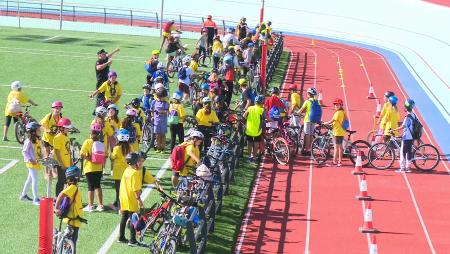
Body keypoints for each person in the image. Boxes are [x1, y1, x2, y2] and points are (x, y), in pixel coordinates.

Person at [54, 165, 85, 254]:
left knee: (70, 241)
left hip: (73, 219)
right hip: (73, 220)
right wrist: (56, 208)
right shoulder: (73, 187)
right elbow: (61, 195)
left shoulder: (70, 187)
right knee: (72, 242)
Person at [81, 123, 105, 212]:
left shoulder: (87, 142)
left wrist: (89, 159)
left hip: (89, 168)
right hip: (99, 167)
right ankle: (100, 205)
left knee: (90, 187)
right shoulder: (101, 142)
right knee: (98, 186)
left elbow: (82, 153)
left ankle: (90, 206)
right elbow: (105, 155)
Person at [20, 122, 43, 205]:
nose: (39, 130)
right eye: (38, 129)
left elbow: (38, 150)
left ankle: (23, 195)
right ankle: (35, 199)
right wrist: (30, 160)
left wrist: (41, 156)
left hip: (35, 162)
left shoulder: (37, 139)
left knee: (29, 179)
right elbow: (24, 152)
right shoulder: (28, 141)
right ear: (33, 132)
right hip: (31, 163)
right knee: (34, 179)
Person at [110, 129, 133, 211]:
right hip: (127, 172)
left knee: (118, 191)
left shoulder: (116, 148)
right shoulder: (130, 147)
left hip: (118, 173)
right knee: (125, 190)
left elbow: (112, 157)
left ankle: (119, 207)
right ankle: (117, 203)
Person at [391, 98, 416, 173]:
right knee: (409, 152)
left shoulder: (407, 116)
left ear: (406, 107)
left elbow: (403, 126)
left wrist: (393, 130)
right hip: (411, 137)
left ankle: (402, 168)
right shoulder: (413, 115)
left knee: (402, 152)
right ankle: (408, 167)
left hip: (406, 137)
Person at [53, 117, 73, 197]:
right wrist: (62, 164)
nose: (68, 129)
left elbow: (68, 150)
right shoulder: (57, 138)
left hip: (67, 163)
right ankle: (57, 197)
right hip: (61, 164)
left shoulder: (65, 136)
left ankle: (64, 197)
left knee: (67, 181)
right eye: (67, 128)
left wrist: (71, 162)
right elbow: (57, 152)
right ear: (61, 128)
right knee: (61, 181)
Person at [323, 99, 347, 166]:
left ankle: (334, 161)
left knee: (336, 147)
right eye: (335, 105)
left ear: (341, 105)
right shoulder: (343, 112)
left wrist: (325, 123)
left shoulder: (337, 113)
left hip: (337, 132)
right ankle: (340, 161)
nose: (336, 106)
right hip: (341, 131)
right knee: (340, 147)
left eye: (338, 105)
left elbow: (332, 121)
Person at [298, 87, 320, 156]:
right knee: (311, 134)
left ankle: (306, 150)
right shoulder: (316, 101)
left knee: (307, 134)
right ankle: (310, 149)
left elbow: (301, 110)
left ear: (308, 94)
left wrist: (296, 113)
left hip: (307, 120)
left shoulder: (307, 101)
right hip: (314, 119)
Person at [244, 95, 265, 162]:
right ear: (262, 102)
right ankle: (255, 157)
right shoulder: (261, 110)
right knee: (256, 144)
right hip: (257, 131)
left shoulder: (250, 108)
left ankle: (249, 157)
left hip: (249, 129)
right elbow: (266, 118)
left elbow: (244, 115)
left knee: (249, 143)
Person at [151, 85, 170, 153]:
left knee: (163, 135)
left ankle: (163, 148)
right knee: (157, 135)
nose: (162, 98)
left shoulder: (166, 103)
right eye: (161, 97)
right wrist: (152, 116)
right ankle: (158, 147)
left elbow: (167, 112)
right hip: (156, 121)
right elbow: (152, 110)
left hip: (163, 121)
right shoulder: (154, 102)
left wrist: (161, 112)